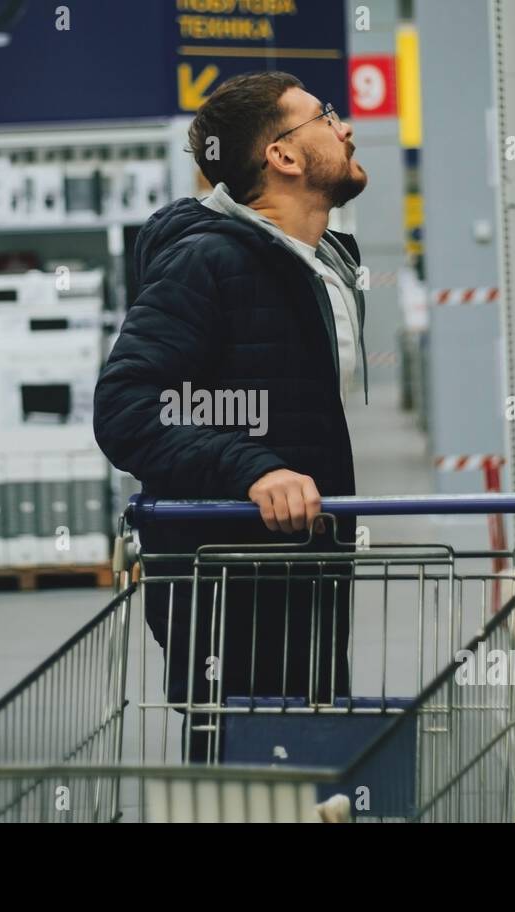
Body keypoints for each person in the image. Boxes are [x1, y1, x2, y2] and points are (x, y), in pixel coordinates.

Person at [93, 72, 369, 760]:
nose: (345, 128)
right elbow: (126, 407)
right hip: (229, 589)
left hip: (303, 571)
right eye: (324, 117)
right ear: (282, 156)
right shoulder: (205, 263)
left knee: (304, 766)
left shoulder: (321, 260)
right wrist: (254, 469)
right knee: (243, 780)